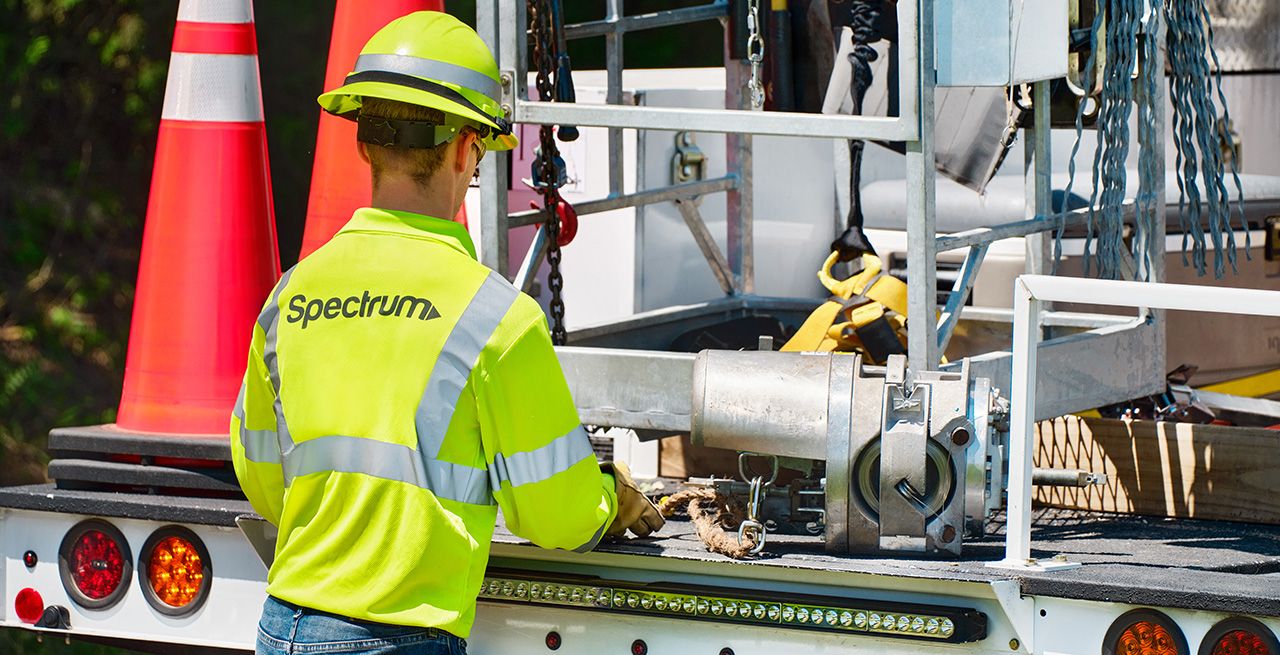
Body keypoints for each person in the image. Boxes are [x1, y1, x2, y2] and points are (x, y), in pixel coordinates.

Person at [229, 12, 663, 655]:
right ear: (465, 150)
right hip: (395, 640)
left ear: (365, 145)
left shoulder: (289, 297)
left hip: (283, 624)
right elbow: (555, 514)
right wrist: (610, 496)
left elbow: (262, 476)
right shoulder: (496, 319)